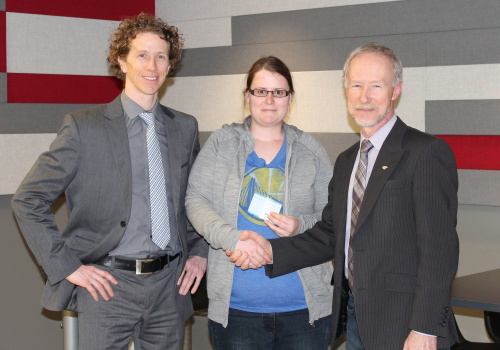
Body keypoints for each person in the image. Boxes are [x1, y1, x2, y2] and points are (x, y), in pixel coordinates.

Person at [230, 43, 460, 350]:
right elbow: (331, 233)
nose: (364, 97)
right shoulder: (347, 160)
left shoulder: (425, 152)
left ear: (396, 90)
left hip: (407, 326)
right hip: (355, 319)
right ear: (346, 90)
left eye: (376, 86)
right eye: (356, 85)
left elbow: (439, 251)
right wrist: (271, 251)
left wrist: (426, 328)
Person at [11, 13, 208, 350]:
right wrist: (68, 268)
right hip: (106, 287)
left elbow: (194, 199)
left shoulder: (184, 127)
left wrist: (201, 251)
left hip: (169, 285)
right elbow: (27, 199)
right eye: (142, 55)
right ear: (122, 61)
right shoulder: (83, 127)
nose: (153, 65)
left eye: (161, 56)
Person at [185, 56, 334, 349]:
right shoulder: (221, 144)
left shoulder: (310, 151)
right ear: (247, 95)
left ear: (290, 98)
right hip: (237, 313)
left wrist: (300, 224)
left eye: (279, 92)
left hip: (304, 312)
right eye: (261, 91)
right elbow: (196, 199)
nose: (269, 100)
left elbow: (333, 217)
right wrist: (234, 240)